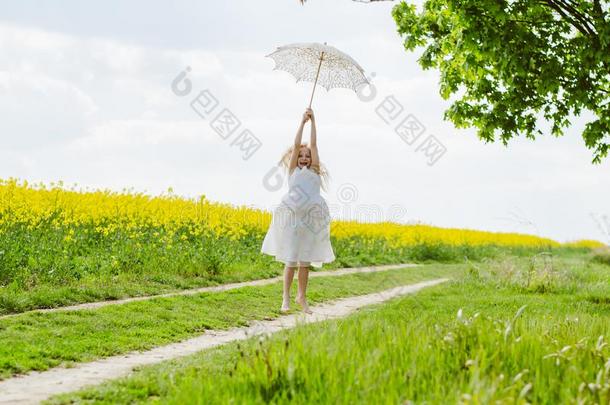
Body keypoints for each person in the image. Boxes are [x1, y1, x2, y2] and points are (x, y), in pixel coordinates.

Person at [261, 107, 335, 314]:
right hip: (293, 217)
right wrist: (302, 122)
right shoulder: (293, 170)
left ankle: (301, 296)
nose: (303, 157)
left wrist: (314, 122)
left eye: (307, 156)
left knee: (305, 261)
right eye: (300, 155)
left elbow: (313, 144)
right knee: (291, 260)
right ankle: (285, 297)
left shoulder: (314, 170)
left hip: (310, 219)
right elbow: (296, 145)